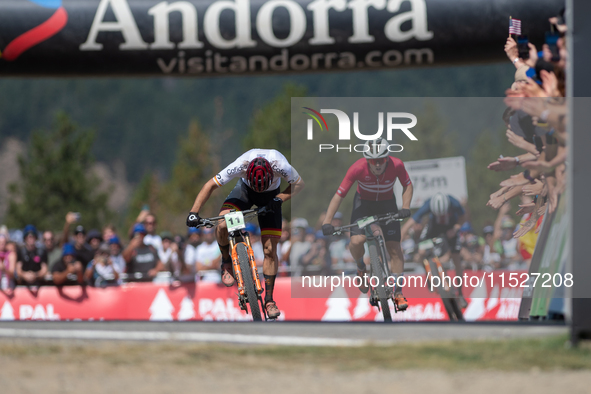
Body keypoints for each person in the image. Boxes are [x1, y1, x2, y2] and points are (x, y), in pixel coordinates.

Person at [186, 148, 305, 319]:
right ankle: (226, 261)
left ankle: (269, 300)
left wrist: (279, 199)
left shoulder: (281, 165)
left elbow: (299, 184)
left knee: (270, 250)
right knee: (221, 224)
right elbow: (210, 185)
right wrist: (194, 212)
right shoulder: (240, 164)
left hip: (271, 196)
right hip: (244, 192)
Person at [322, 138, 413, 311]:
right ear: (366, 160)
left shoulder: (397, 165)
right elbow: (338, 196)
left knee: (394, 247)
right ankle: (360, 267)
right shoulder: (357, 168)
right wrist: (327, 221)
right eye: (373, 161)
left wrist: (406, 207)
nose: (377, 165)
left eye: (381, 160)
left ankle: (398, 292)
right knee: (356, 241)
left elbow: (407, 185)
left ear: (387, 158)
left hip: (387, 203)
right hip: (363, 205)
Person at [401, 193, 468, 307]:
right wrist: (399, 243)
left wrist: (456, 228)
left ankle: (460, 293)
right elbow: (408, 224)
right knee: (421, 251)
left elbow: (463, 218)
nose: (441, 216)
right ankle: (429, 273)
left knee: (456, 258)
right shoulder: (428, 205)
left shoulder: (454, 203)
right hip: (434, 227)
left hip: (451, 226)